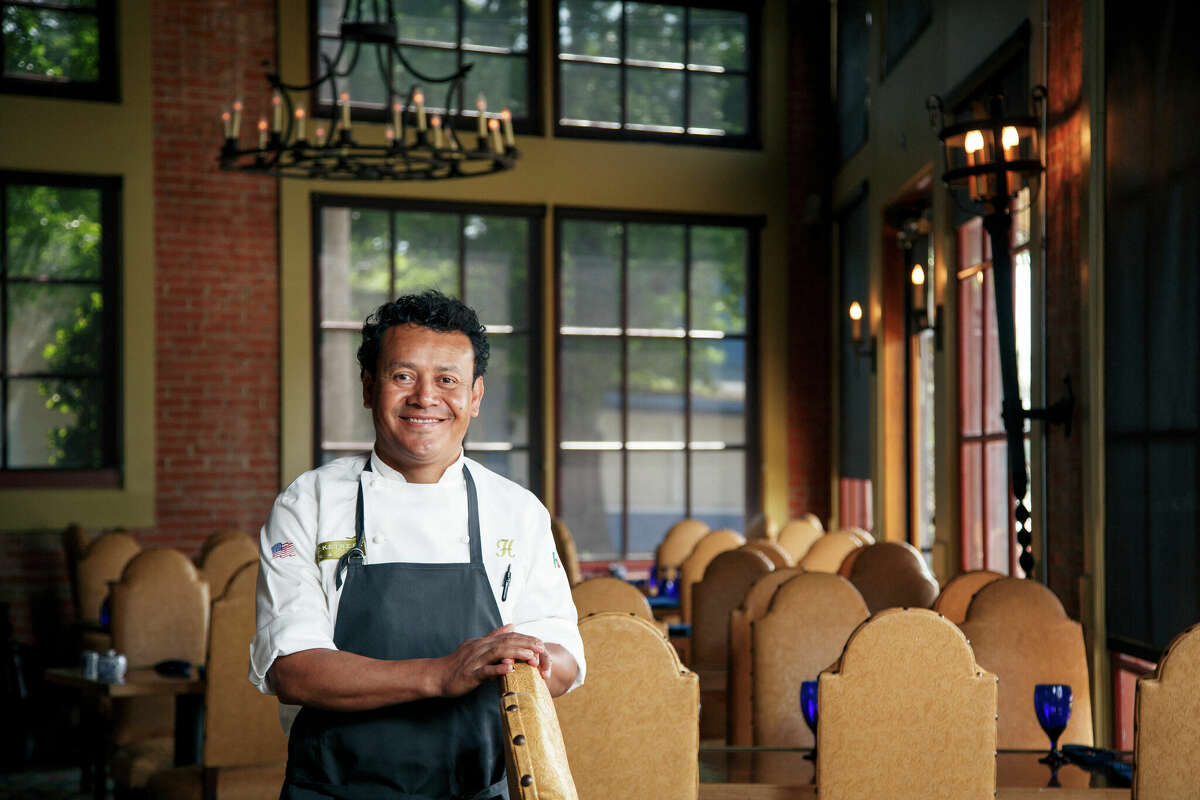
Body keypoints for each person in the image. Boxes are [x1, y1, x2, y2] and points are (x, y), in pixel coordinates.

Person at [250, 291, 584, 799]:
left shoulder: (517, 512)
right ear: (369, 387)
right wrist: (444, 673)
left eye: (447, 380)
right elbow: (293, 669)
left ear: (475, 396)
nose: (425, 398)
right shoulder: (308, 503)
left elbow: (563, 659)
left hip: (476, 791)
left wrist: (531, 660)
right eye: (402, 376)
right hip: (333, 791)